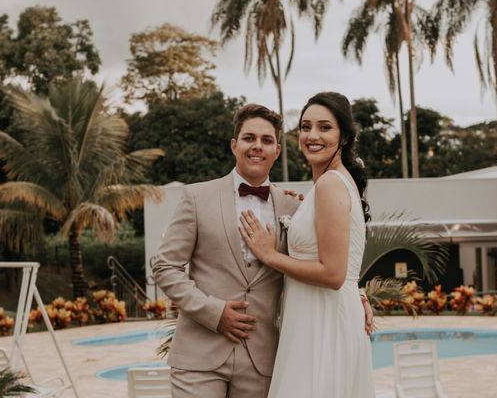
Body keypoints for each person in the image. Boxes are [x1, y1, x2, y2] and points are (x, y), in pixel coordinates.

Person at [152, 103, 372, 397]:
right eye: (249, 138)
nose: (257, 146)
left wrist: (356, 292)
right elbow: (165, 267)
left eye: (267, 140)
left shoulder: (295, 207)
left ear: (277, 151)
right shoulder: (196, 197)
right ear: (234, 145)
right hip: (199, 358)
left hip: (262, 362)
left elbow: (324, 257)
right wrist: (214, 313)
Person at [239, 92, 376, 398]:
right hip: (321, 314)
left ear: (343, 136)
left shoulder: (330, 184)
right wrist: (359, 293)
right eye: (305, 127)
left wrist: (268, 254)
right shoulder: (328, 184)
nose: (312, 136)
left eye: (324, 127)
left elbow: (333, 273)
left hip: (321, 322)